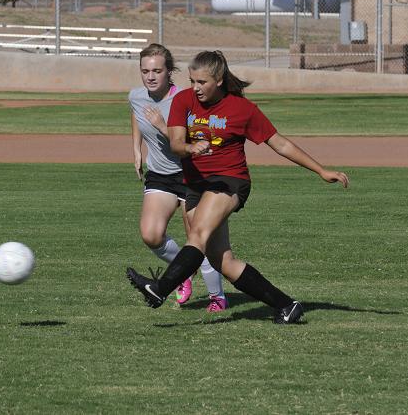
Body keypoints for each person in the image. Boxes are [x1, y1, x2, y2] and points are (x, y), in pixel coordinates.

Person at [126, 50, 349, 324]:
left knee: (197, 234)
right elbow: (175, 143)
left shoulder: (243, 109)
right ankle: (286, 305)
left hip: (230, 180)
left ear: (219, 80)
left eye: (202, 82)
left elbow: (280, 143)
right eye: (192, 80)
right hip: (196, 185)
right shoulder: (183, 100)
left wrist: (321, 170)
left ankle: (159, 290)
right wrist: (189, 147)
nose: (195, 88)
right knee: (224, 263)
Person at [129, 44, 228, 312]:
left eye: (157, 71)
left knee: (198, 239)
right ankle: (182, 272)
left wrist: (163, 126)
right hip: (160, 174)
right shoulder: (136, 96)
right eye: (145, 71)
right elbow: (137, 116)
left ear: (169, 71)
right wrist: (136, 148)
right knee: (151, 235)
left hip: (190, 174)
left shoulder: (184, 100)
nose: (150, 76)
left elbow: (190, 140)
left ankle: (217, 296)